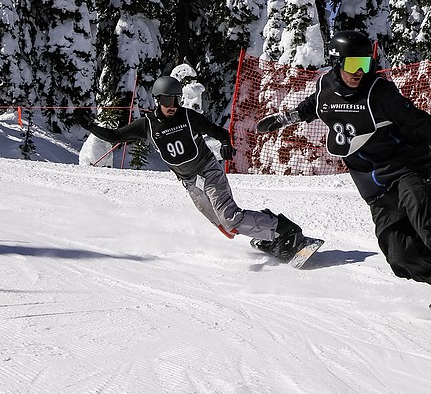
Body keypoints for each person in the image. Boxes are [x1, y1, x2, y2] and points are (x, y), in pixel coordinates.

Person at [255, 30, 431, 327]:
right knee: (401, 255)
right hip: (374, 187)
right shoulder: (326, 86)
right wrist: (284, 119)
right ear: (336, 64)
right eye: (352, 65)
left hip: (406, 172)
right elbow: (314, 105)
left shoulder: (380, 93)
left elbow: (422, 124)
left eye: (365, 63)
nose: (359, 72)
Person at [85, 75, 307, 260]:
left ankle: (284, 230)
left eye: (176, 100)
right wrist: (88, 124)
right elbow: (115, 136)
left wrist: (226, 144)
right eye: (167, 101)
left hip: (208, 170)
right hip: (190, 182)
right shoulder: (147, 125)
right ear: (157, 100)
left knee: (230, 217)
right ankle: (269, 233)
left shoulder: (188, 117)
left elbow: (219, 132)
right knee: (226, 228)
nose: (172, 107)